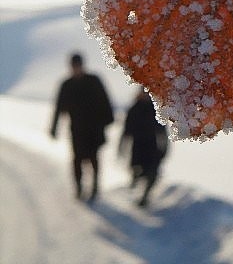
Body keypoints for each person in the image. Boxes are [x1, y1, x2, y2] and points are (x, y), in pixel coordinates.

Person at [50, 52, 114, 201]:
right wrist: (54, 127)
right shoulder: (66, 85)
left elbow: (105, 101)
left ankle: (95, 186)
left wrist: (107, 121)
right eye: (74, 66)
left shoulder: (94, 81)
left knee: (94, 158)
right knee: (77, 160)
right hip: (76, 130)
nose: (76, 68)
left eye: (78, 65)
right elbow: (59, 107)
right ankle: (79, 187)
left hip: (94, 129)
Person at [119, 87, 169, 207]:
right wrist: (121, 146)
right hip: (137, 147)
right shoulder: (134, 108)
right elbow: (126, 131)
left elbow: (162, 131)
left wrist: (165, 148)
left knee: (152, 174)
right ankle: (135, 188)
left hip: (152, 147)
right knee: (137, 171)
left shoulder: (156, 109)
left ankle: (144, 197)